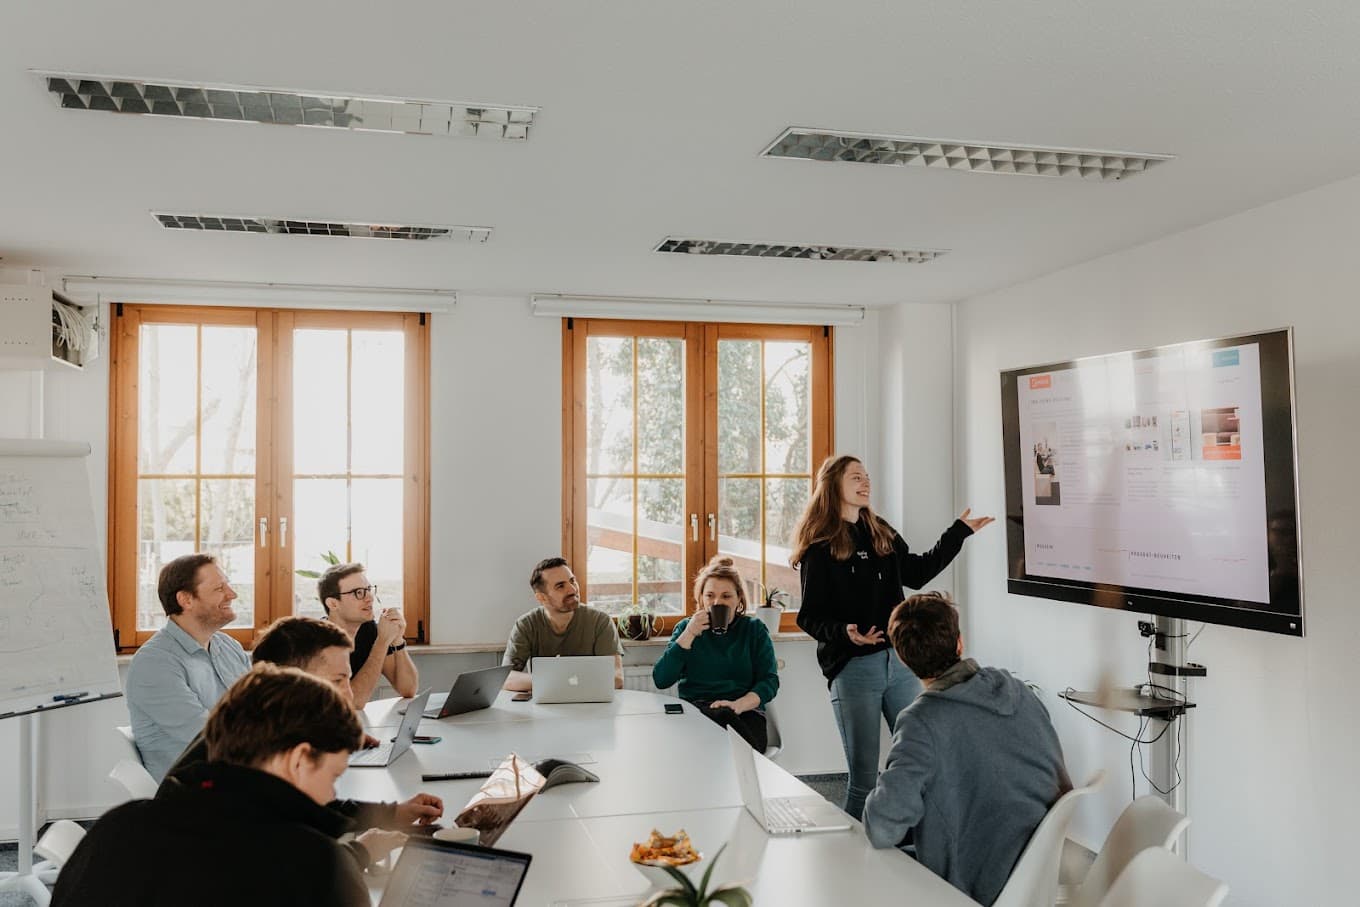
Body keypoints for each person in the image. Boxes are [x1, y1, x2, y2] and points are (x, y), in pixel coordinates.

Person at [52, 665, 372, 906]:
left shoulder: (117, 826)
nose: (331, 794)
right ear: (299, 758)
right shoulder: (318, 864)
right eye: (333, 776)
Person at [791, 455, 993, 819]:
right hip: (853, 670)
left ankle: (918, 854)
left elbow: (917, 571)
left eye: (866, 477)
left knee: (919, 766)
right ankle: (853, 862)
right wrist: (845, 633)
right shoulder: (820, 547)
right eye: (856, 477)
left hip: (899, 665)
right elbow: (809, 616)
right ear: (833, 485)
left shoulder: (879, 530)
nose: (865, 483)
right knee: (864, 780)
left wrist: (958, 532)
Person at [160, 616, 443, 870]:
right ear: (292, 682)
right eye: (338, 679)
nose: (348, 691)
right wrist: (360, 852)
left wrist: (390, 813)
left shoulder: (257, 727)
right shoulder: (251, 757)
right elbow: (282, 866)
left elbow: (310, 809)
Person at [863, 593, 1071, 906]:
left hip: (978, 882)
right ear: (959, 643)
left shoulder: (921, 722)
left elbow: (881, 828)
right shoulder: (1016, 689)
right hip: (1041, 869)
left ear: (904, 660)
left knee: (868, 869)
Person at [125, 553, 253, 780]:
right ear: (186, 600)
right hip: (197, 790)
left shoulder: (228, 646)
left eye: (228, 585)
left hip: (236, 775)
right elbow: (209, 737)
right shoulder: (155, 662)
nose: (232, 594)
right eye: (219, 588)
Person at [651, 556, 779, 751]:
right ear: (701, 598)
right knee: (717, 725)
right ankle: (753, 766)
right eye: (710, 596)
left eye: (726, 596)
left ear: (739, 599)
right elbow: (661, 679)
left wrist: (738, 705)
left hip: (744, 713)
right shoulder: (686, 629)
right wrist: (689, 634)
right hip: (698, 713)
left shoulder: (754, 630)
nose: (717, 602)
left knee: (722, 723)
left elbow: (769, 681)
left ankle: (746, 760)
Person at [502, 557, 624, 692]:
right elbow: (506, 678)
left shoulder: (600, 621)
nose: (572, 590)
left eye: (572, 581)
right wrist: (564, 681)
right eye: (560, 586)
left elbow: (617, 679)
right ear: (542, 597)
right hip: (544, 706)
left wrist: (556, 681)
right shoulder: (526, 625)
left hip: (590, 705)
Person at [319, 561, 418, 707]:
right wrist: (382, 641)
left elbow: (408, 690)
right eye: (358, 593)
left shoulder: (368, 630)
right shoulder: (318, 642)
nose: (370, 598)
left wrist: (397, 640)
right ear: (333, 604)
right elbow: (351, 704)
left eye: (369, 590)